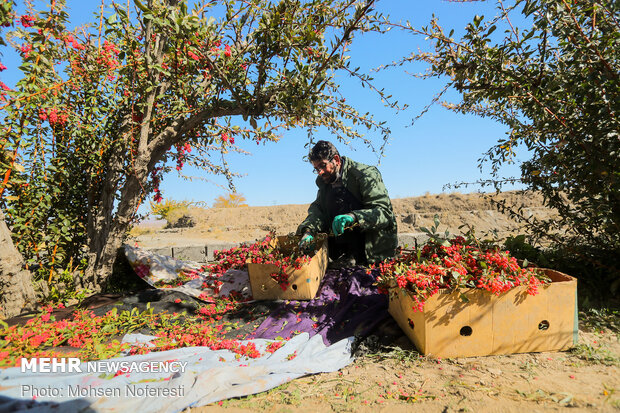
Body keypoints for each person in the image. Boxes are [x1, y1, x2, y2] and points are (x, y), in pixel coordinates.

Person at [296, 140, 398, 267]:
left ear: (336, 160)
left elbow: (384, 213)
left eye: (323, 165)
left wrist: (354, 217)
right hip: (343, 254)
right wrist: (308, 231)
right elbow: (318, 211)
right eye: (316, 169)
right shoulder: (325, 182)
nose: (320, 172)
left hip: (373, 252)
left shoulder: (365, 175)